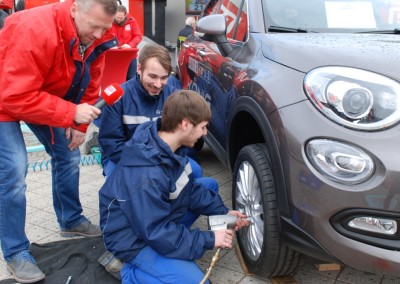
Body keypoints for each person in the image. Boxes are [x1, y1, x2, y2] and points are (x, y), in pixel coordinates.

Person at [0, 0, 118, 282]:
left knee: (68, 154)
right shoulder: (35, 30)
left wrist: (79, 123)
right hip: (7, 97)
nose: (100, 35)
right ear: (75, 9)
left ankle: (70, 219)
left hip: (43, 95)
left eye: (105, 28)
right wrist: (70, 112)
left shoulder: (94, 35)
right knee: (14, 171)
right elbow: (14, 96)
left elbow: (92, 81)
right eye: (95, 27)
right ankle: (15, 251)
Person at [99, 90, 250, 283]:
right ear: (185, 124)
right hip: (132, 238)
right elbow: (156, 231)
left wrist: (225, 214)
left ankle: (171, 253)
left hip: (151, 219)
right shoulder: (146, 175)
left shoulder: (172, 147)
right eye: (203, 127)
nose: (205, 133)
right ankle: (131, 273)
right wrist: (210, 239)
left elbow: (190, 189)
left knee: (208, 186)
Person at [98, 43, 211, 190]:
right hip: (122, 159)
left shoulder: (173, 95)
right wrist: (148, 165)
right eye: (152, 76)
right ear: (139, 69)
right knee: (123, 187)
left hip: (161, 158)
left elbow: (182, 140)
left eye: (163, 78)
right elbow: (111, 145)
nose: (158, 84)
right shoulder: (119, 98)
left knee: (194, 171)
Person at [112, 5, 142, 81]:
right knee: (115, 78)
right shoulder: (109, 22)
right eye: (117, 17)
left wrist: (130, 45)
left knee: (131, 78)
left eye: (121, 18)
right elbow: (105, 36)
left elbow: (138, 36)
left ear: (125, 15)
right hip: (114, 55)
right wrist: (110, 45)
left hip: (130, 55)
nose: (118, 20)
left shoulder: (132, 21)